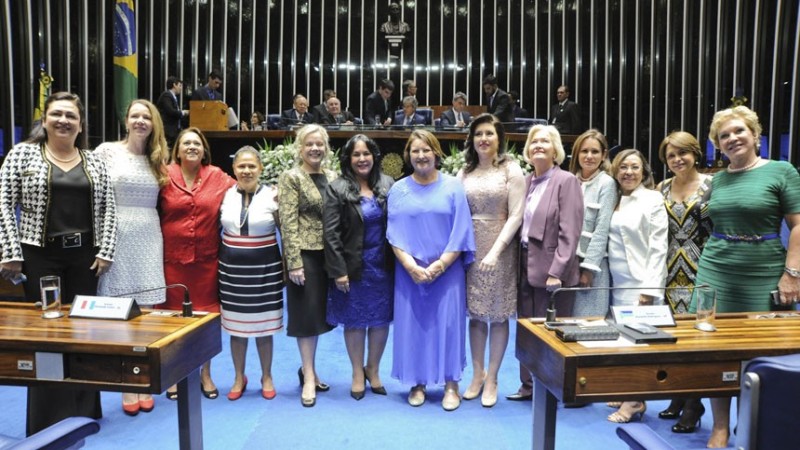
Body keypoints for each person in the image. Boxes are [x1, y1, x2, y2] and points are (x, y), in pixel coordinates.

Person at [0, 91, 116, 435]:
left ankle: (84, 406)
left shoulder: (94, 160)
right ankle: (48, 417)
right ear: (45, 120)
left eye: (71, 116)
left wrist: (106, 250)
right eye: (57, 114)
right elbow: (4, 204)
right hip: (40, 256)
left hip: (86, 257)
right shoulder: (22, 154)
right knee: (48, 334)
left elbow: (108, 207)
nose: (64, 120)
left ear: (81, 125)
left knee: (85, 331)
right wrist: (11, 253)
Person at [692, 106, 800, 448]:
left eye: (739, 131)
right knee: (714, 349)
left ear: (755, 135)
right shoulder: (718, 179)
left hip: (764, 271)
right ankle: (720, 427)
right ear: (718, 145)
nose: (732, 138)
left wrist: (792, 274)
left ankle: (751, 425)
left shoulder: (782, 171)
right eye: (724, 136)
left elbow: (798, 226)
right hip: (716, 269)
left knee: (760, 350)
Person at [387, 129, 475, 411]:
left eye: (426, 150)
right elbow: (393, 234)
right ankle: (418, 381)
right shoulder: (398, 190)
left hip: (447, 273)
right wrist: (411, 266)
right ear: (408, 155)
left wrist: (441, 264)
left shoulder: (453, 187)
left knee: (449, 326)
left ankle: (451, 383)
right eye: (415, 151)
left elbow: (461, 230)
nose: (421, 155)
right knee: (414, 327)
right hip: (409, 273)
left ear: (436, 153)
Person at [95, 99, 169, 416]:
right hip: (116, 237)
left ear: (154, 124)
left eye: (146, 117)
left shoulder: (159, 158)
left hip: (149, 235)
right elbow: (93, 197)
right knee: (120, 313)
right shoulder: (106, 152)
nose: (140, 121)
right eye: (135, 116)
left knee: (148, 313)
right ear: (126, 121)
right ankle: (126, 382)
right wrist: (99, 244)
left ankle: (142, 376)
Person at [158, 127, 235, 400]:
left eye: (197, 143)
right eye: (186, 143)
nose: (192, 147)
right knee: (172, 319)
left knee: (205, 319)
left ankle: (205, 373)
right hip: (172, 260)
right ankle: (174, 373)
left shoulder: (217, 176)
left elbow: (247, 186)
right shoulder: (163, 175)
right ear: (177, 150)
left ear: (204, 150)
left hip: (206, 262)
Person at [507, 124, 583, 402]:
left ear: (556, 150)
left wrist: (557, 271)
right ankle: (528, 387)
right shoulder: (525, 182)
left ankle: (553, 389)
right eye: (533, 141)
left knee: (551, 332)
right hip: (524, 265)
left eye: (545, 141)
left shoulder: (566, 181)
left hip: (552, 270)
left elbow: (570, 231)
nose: (538, 145)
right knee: (526, 328)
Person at [457, 114, 524, 408]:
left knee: (497, 316)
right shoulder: (464, 171)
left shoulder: (512, 169)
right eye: (478, 133)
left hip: (501, 246)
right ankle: (477, 373)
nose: (483, 138)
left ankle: (494, 377)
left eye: (489, 133)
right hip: (470, 248)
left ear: (499, 138)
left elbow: (517, 215)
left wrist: (496, 250)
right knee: (475, 314)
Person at [323, 135, 394, 401]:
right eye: (356, 154)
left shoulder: (388, 184)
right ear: (348, 159)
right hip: (352, 266)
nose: (362, 159)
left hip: (383, 264)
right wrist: (338, 270)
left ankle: (373, 369)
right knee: (354, 320)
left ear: (374, 156)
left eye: (366, 153)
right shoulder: (337, 187)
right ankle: (356, 372)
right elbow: (330, 234)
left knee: (380, 320)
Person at [654, 131, 713, 433]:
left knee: (697, 338)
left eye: (683, 153)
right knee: (672, 334)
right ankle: (678, 395)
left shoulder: (711, 185)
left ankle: (694, 403)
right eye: (671, 155)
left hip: (700, 269)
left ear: (695, 153)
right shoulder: (661, 186)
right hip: (666, 268)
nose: (677, 160)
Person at [605, 149, 668, 423]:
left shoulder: (652, 199)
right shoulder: (615, 198)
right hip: (617, 282)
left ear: (644, 171)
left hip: (642, 281)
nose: (628, 172)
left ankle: (635, 402)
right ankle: (626, 389)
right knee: (622, 339)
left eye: (634, 167)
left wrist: (650, 290)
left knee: (639, 343)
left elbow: (658, 246)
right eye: (623, 167)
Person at [278, 124, 338, 407]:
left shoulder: (333, 176)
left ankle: (310, 370)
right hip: (304, 256)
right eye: (309, 144)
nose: (315, 149)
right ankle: (309, 376)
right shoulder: (291, 177)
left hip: (330, 257)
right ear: (300, 148)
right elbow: (287, 223)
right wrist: (294, 263)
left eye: (320, 144)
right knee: (305, 318)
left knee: (320, 317)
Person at [218, 146, 284, 402]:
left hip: (265, 269)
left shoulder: (273, 196)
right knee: (237, 328)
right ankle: (238, 376)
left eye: (251, 166)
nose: (246, 171)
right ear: (234, 169)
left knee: (264, 327)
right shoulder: (225, 195)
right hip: (232, 270)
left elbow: (285, 233)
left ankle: (266, 376)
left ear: (261, 169)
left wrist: (288, 268)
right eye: (241, 166)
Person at [568, 129, 618, 317]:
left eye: (595, 152)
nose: (589, 156)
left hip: (592, 266)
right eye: (584, 151)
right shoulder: (569, 179)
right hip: (567, 264)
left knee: (588, 323)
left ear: (604, 155)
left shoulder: (607, 183)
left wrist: (588, 269)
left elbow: (602, 229)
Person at [155, 76, 188, 146]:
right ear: (174, 85)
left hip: (174, 131)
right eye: (180, 85)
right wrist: (183, 112)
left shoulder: (173, 96)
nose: (181, 88)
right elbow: (170, 111)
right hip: (168, 131)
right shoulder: (166, 95)